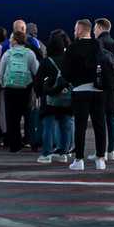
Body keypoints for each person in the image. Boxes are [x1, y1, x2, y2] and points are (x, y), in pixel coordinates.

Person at [64, 18, 107, 170]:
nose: (74, 32)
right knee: (100, 125)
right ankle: (101, 159)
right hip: (98, 90)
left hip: (80, 90)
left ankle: (79, 160)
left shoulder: (73, 47)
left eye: (76, 29)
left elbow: (66, 72)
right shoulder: (98, 45)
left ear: (81, 30)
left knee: (80, 126)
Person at [0, 26, 39, 153]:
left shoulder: (7, 54)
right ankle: (31, 142)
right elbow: (36, 71)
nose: (10, 40)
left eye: (11, 38)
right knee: (28, 116)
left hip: (10, 89)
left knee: (12, 117)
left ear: (15, 40)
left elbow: (1, 73)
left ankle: (14, 145)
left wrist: (4, 84)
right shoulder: (30, 53)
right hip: (25, 88)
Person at [35, 31, 73, 164]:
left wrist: (40, 94)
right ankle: (63, 153)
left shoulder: (47, 61)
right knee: (66, 125)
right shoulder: (69, 60)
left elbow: (38, 81)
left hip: (50, 99)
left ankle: (46, 154)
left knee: (48, 126)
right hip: (67, 98)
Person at [94, 18, 114, 160]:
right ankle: (111, 150)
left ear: (99, 27)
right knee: (111, 120)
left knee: (101, 121)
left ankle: (101, 151)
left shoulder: (99, 44)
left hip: (102, 88)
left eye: (95, 28)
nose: (94, 31)